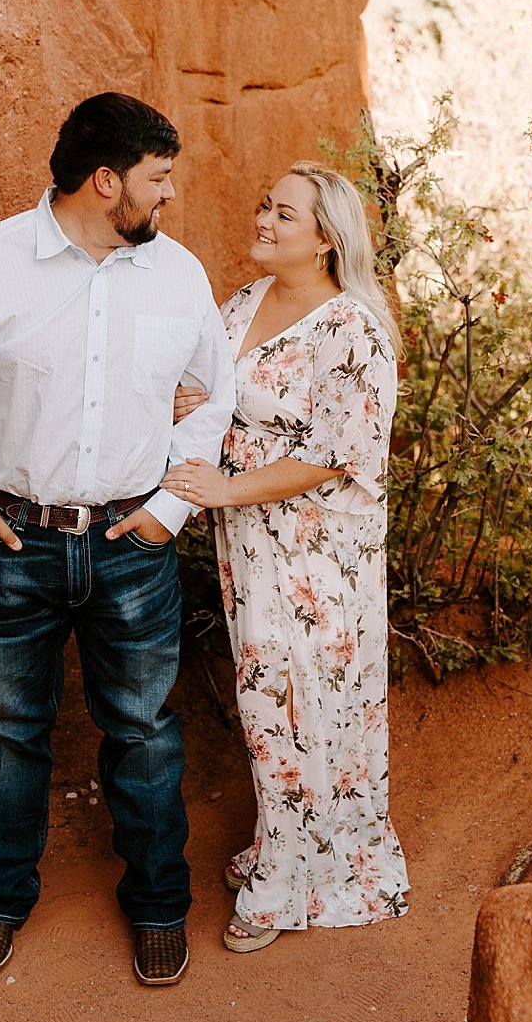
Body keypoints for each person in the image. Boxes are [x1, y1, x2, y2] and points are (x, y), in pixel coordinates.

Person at [0, 92, 237, 985]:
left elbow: (213, 398)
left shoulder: (178, 275)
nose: (170, 196)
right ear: (104, 181)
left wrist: (170, 510)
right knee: (7, 731)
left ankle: (158, 909)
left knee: (146, 732)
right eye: (157, 180)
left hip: (135, 543)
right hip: (10, 544)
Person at [163, 161, 410, 953]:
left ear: (329, 241)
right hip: (251, 544)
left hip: (318, 554)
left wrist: (221, 488)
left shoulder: (355, 330)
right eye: (265, 205)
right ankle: (289, 842)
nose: (264, 221)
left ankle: (297, 879)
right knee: (266, 696)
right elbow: (217, 391)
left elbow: (337, 455)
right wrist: (196, 408)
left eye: (285, 215)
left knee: (304, 701)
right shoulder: (245, 301)